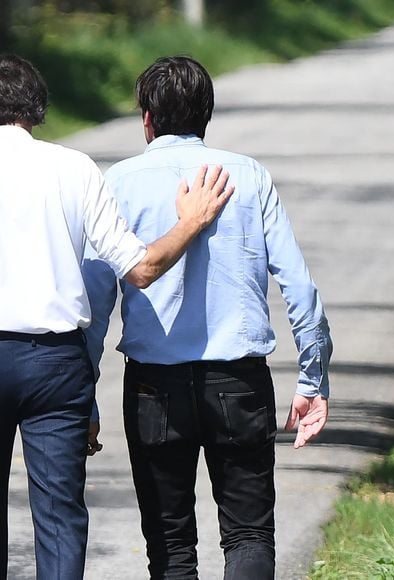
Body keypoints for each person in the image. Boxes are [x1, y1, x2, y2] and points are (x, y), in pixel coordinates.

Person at [82, 55, 332, 579]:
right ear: (206, 115)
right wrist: (313, 375)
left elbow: (95, 302)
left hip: (155, 388)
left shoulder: (118, 182)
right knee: (248, 533)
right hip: (238, 380)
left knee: (170, 545)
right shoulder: (248, 175)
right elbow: (300, 287)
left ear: (146, 118)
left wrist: (82, 396)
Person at [0, 53, 233, 580]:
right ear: (36, 110)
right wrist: (191, 223)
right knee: (59, 516)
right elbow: (142, 269)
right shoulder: (74, 168)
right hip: (55, 365)